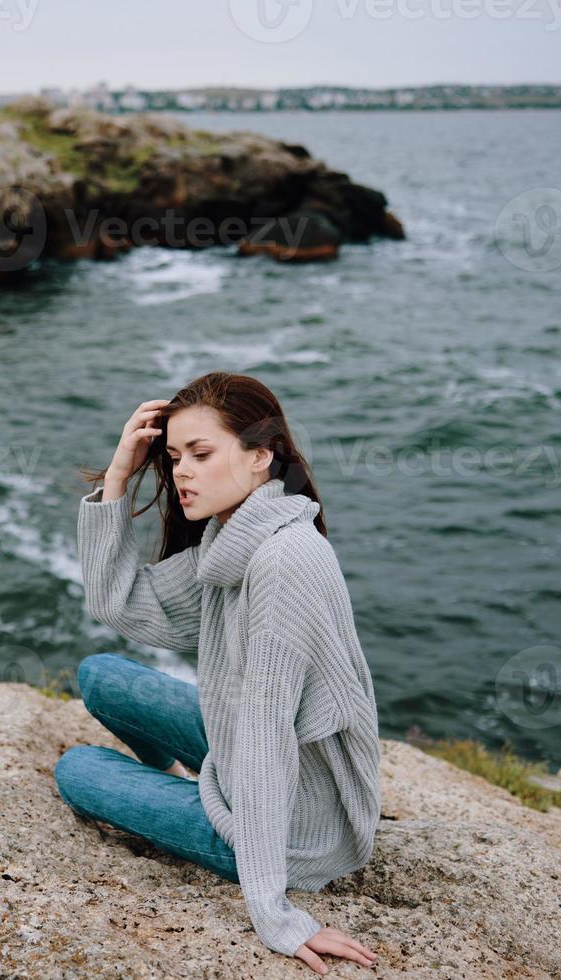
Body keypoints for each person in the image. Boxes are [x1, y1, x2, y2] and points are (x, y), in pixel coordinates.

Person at [55, 371, 381, 975]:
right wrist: (118, 476)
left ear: (261, 457)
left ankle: (185, 800)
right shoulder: (230, 540)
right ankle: (183, 788)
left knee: (77, 768)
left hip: (294, 828)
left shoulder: (286, 562)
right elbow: (117, 603)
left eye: (201, 454)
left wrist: (275, 912)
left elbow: (266, 743)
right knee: (100, 673)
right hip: (244, 763)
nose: (181, 472)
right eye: (174, 456)